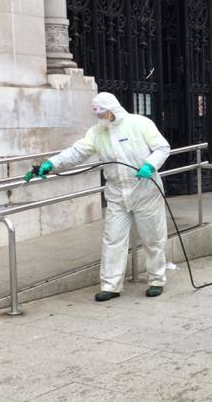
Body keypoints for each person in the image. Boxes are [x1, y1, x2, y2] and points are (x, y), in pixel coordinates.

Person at [25, 92, 171, 302]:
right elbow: (76, 152)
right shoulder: (96, 133)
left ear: (113, 110)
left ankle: (156, 280)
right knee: (113, 239)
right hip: (116, 192)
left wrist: (149, 164)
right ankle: (111, 285)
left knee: (153, 237)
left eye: (103, 114)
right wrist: (51, 164)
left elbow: (162, 147)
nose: (100, 118)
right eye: (98, 115)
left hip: (145, 188)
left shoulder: (139, 124)